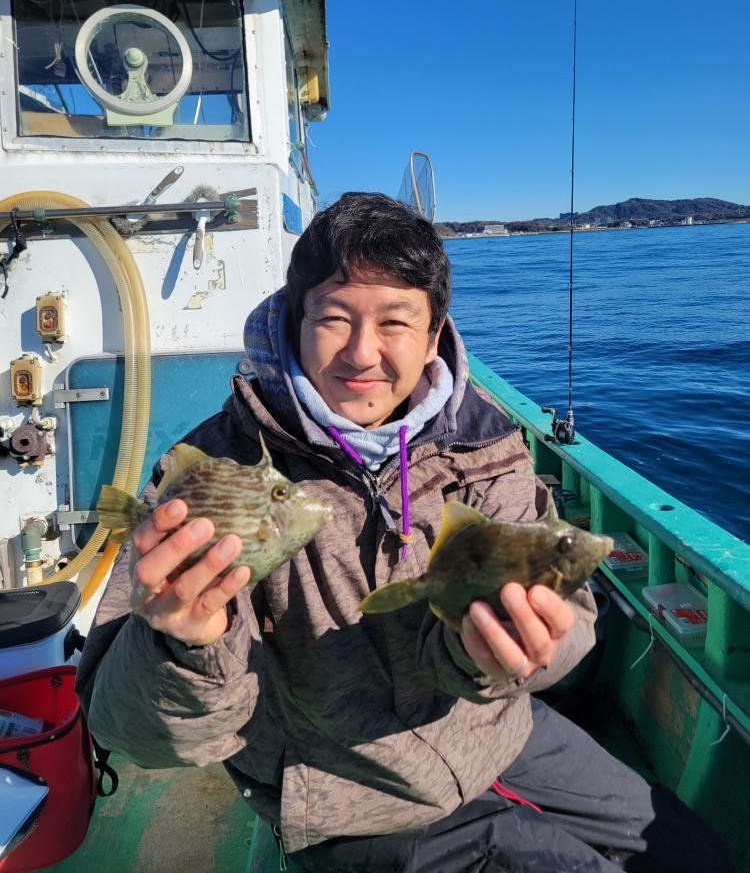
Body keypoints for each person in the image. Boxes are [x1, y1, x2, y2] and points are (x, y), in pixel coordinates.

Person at [77, 193, 730, 872]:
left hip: (498, 734)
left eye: (395, 321)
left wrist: (512, 650)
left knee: (695, 857)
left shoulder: (481, 440)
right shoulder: (216, 472)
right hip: (348, 796)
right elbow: (124, 727)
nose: (363, 353)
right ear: (296, 320)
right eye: (333, 318)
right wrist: (185, 645)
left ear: (433, 332)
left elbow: (570, 621)